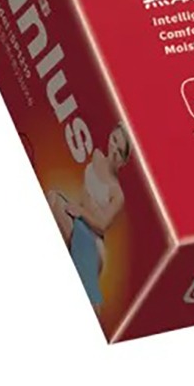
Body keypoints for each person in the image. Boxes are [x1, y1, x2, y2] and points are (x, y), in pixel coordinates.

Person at [45, 123, 131, 308]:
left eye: (120, 151)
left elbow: (102, 225)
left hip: (94, 240)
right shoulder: (97, 156)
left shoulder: (117, 193)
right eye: (114, 140)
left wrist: (82, 211)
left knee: (58, 207)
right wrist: (80, 209)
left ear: (124, 161)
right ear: (110, 137)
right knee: (52, 197)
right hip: (76, 219)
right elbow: (84, 194)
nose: (114, 150)